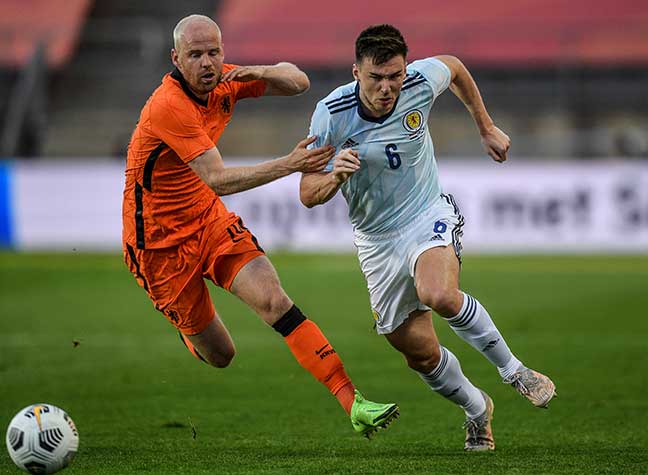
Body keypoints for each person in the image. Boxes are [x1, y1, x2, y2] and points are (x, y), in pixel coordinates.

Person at [121, 14, 399, 438]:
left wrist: (262, 71)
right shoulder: (169, 106)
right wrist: (290, 164)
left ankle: (352, 401)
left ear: (223, 52)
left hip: (207, 219)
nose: (207, 63)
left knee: (273, 300)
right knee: (221, 354)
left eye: (214, 52)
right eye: (195, 55)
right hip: (157, 245)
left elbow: (299, 82)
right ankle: (188, 329)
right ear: (177, 58)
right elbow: (217, 179)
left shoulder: (227, 80)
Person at [299, 24, 556, 451]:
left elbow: (454, 67)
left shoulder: (419, 81)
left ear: (405, 69)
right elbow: (308, 193)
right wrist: (334, 175)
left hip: (426, 213)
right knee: (417, 351)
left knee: (437, 292)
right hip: (376, 240)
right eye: (375, 78)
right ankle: (477, 410)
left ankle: (515, 371)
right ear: (356, 72)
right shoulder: (330, 114)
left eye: (394, 76)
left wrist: (486, 127)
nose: (387, 88)